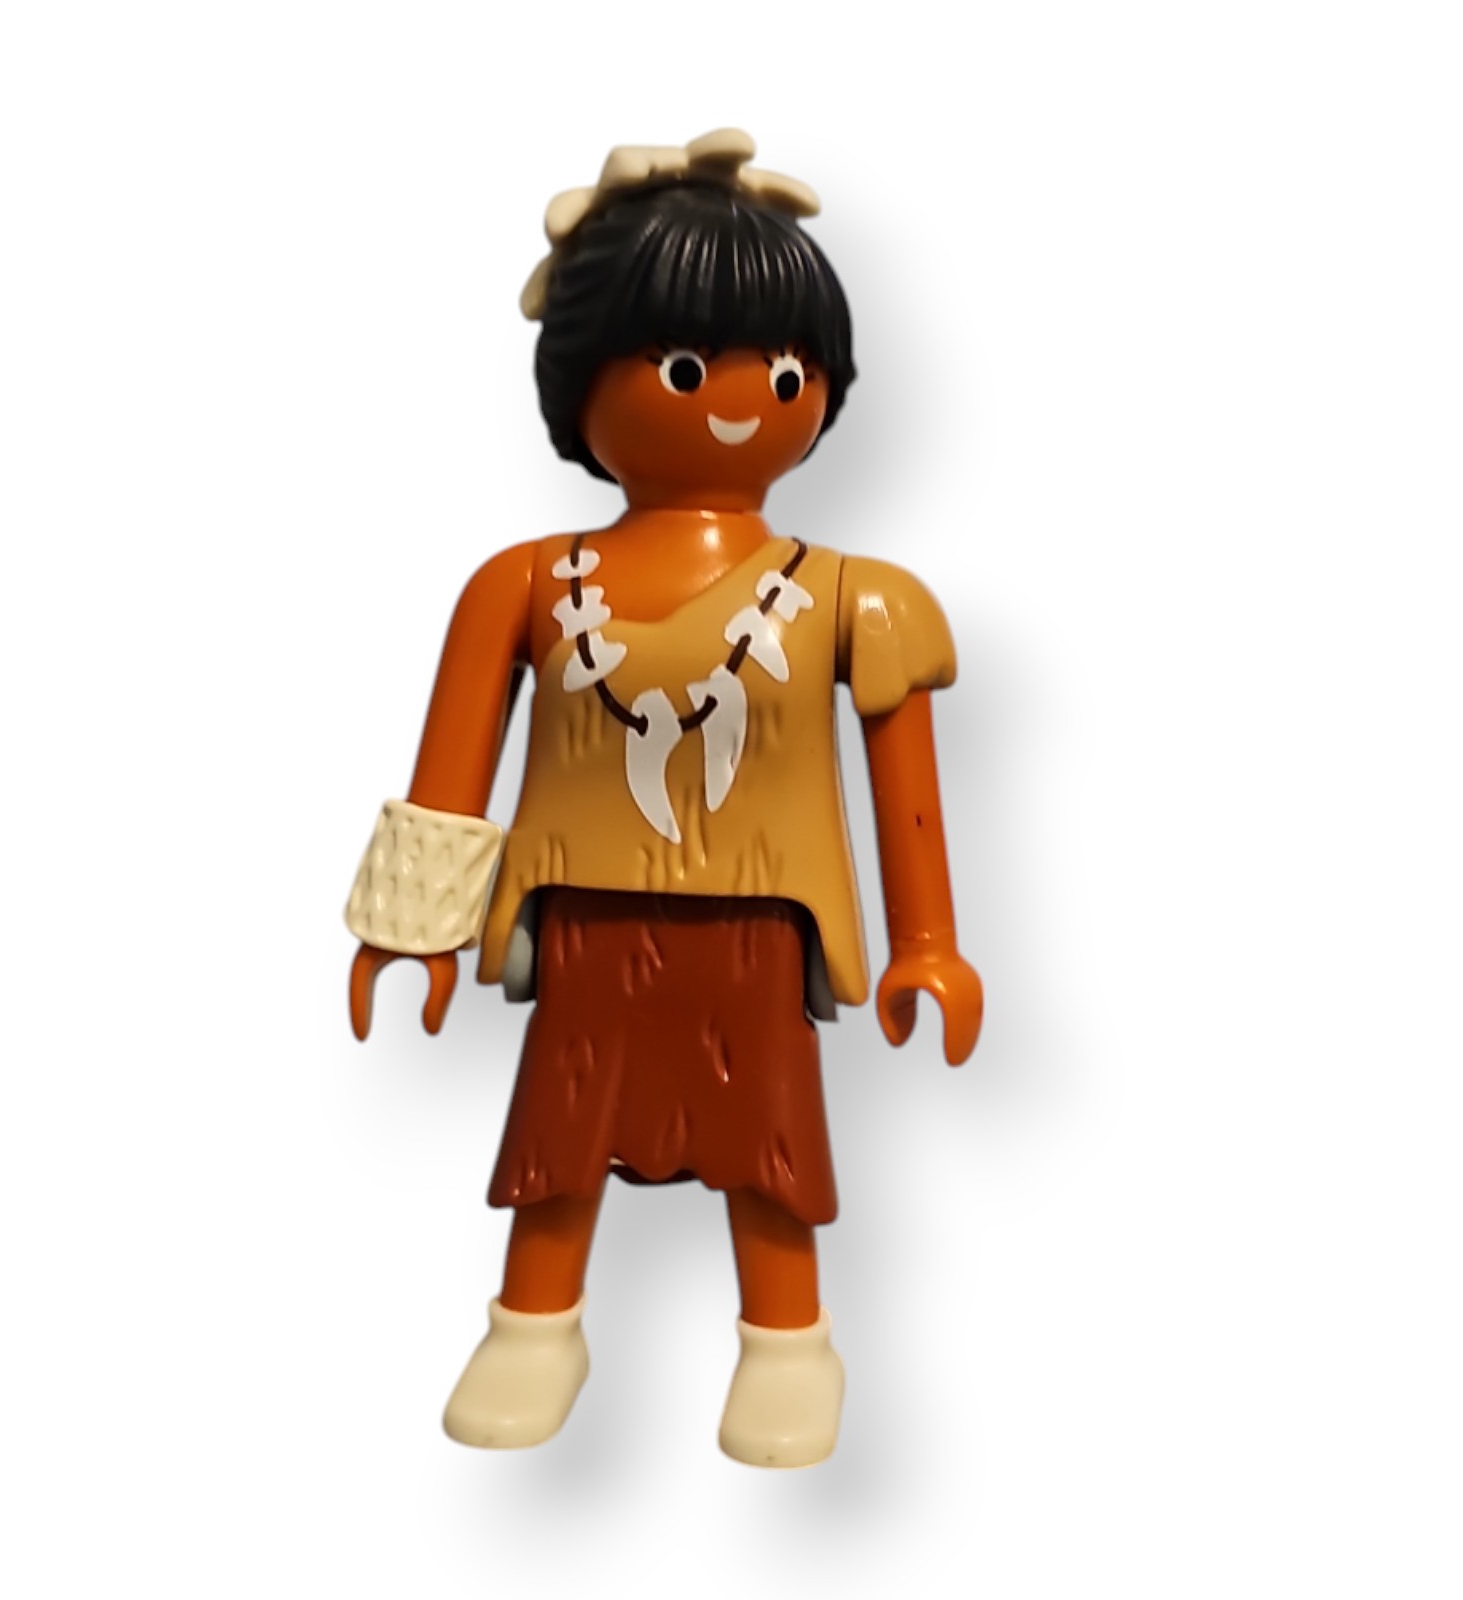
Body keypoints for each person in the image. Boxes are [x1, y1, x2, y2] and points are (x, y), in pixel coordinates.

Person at [344, 130, 982, 1468]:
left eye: (786, 370)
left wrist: (929, 943)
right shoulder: (523, 584)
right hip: (583, 919)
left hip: (759, 926)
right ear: (585, 384)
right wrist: (413, 923)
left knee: (770, 1138)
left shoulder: (857, 597)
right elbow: (451, 766)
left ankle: (789, 1340)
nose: (744, 402)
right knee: (559, 1129)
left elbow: (906, 789)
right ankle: (534, 1324)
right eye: (688, 368)